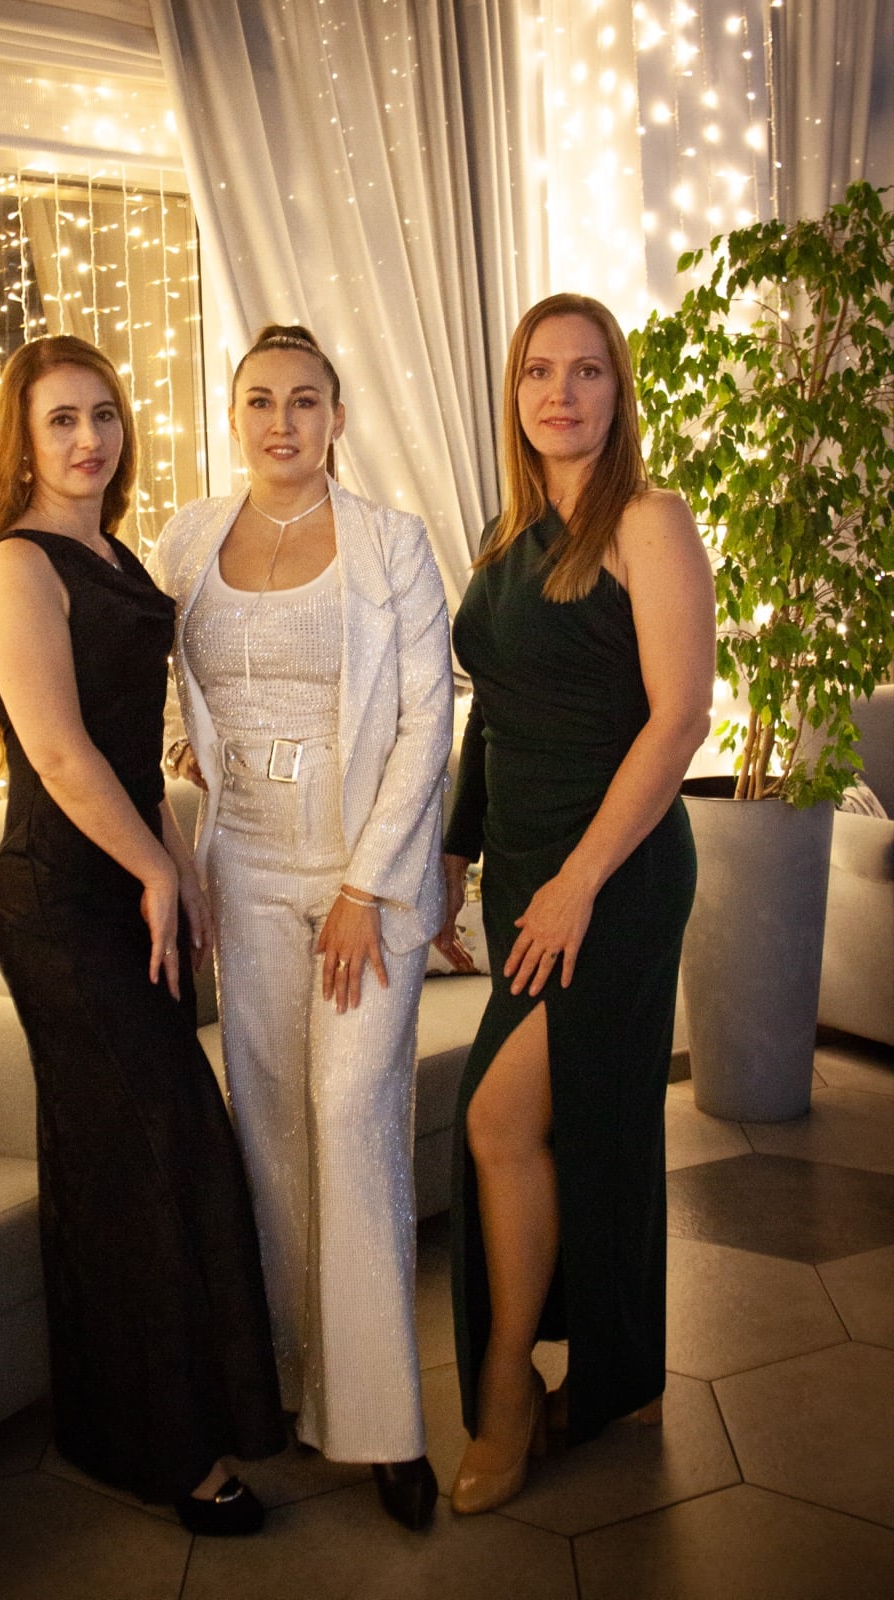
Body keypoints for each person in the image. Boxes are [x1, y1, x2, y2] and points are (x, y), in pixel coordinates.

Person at [0, 334, 284, 1535]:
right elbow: (55, 749)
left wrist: (179, 863)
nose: (88, 439)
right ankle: (170, 1450)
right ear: (22, 442)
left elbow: (137, 752)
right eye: (60, 420)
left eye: (102, 415)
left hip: (128, 887)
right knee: (149, 1151)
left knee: (130, 1157)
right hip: (60, 905)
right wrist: (151, 868)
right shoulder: (17, 565)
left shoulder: (115, 552)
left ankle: (126, 1422)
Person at [150, 325, 453, 1531]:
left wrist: (366, 888)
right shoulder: (186, 538)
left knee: (349, 1118)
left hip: (354, 881)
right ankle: (283, 1380)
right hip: (243, 870)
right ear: (234, 415)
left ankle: (384, 1427)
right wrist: (185, 749)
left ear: (336, 415)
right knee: (270, 1125)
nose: (282, 421)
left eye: (305, 400)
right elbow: (159, 674)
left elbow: (426, 722)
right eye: (260, 400)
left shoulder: (390, 541)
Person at [435, 293, 716, 1513]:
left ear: (617, 390)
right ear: (513, 393)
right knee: (596, 1126)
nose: (560, 392)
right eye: (538, 372)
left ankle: (508, 1386)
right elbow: (490, 715)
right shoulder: (502, 535)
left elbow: (680, 719)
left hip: (616, 872)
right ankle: (621, 1373)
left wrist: (577, 884)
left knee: (496, 1121)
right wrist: (454, 857)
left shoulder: (648, 520)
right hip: (522, 874)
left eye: (586, 371)